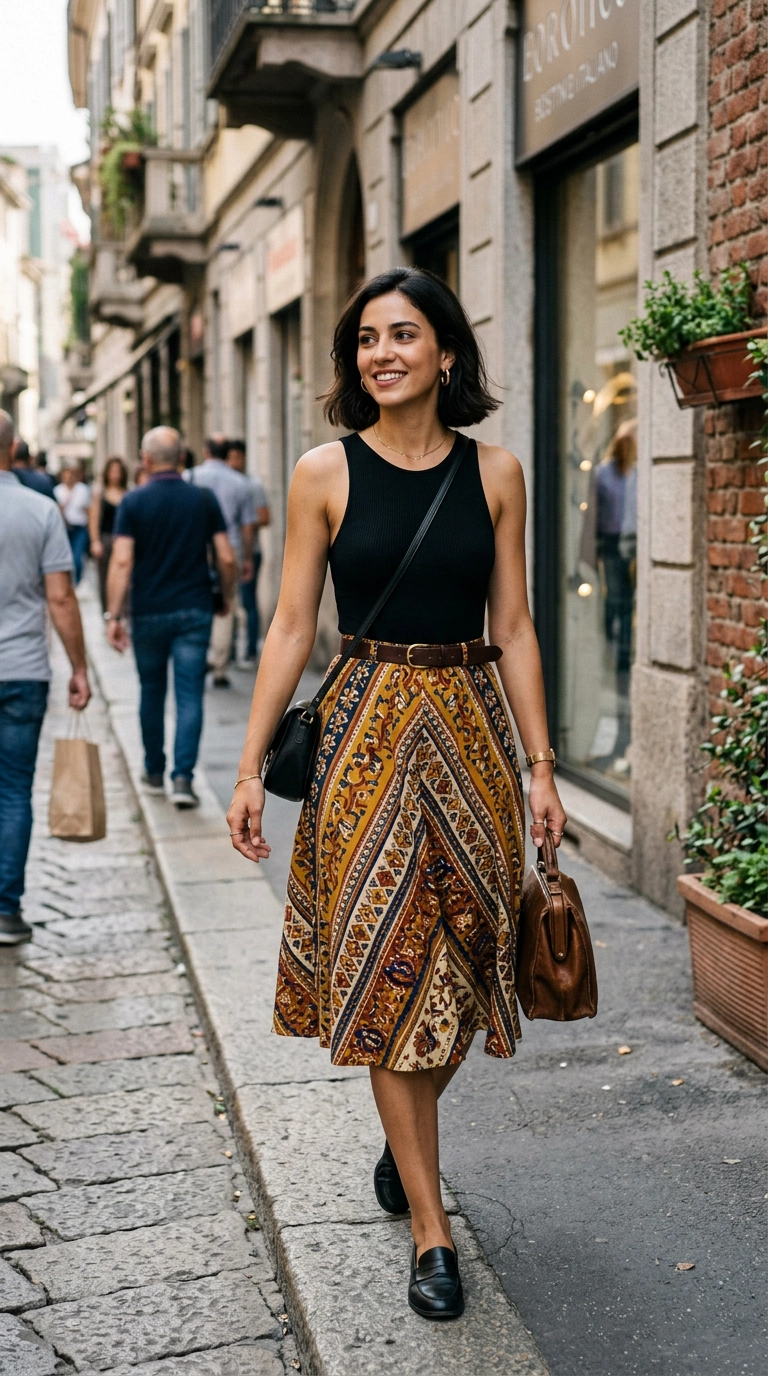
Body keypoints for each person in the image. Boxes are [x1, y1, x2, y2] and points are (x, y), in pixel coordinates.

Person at [225, 268, 567, 1320]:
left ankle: (401, 1131)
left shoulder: (497, 471)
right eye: (367, 339)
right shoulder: (324, 471)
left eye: (404, 334)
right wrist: (247, 768)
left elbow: (513, 625)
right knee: (385, 969)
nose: (382, 353)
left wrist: (542, 765)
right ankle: (431, 1227)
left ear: (446, 352)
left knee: (463, 969)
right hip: (365, 734)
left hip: (469, 734)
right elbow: (289, 626)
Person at [106, 426, 237, 808]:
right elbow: (226, 557)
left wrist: (114, 614)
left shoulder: (132, 502)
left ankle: (152, 770)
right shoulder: (203, 498)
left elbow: (122, 561)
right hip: (195, 609)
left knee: (151, 691)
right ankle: (182, 778)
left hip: (147, 611)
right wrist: (225, 596)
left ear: (144, 461)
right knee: (189, 694)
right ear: (182, 458)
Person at [0, 409, 91, 945]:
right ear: (14, 449)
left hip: (25, 672)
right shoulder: (40, 509)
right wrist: (79, 667)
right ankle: (6, 911)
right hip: (24, 671)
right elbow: (60, 596)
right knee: (13, 791)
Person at [186, 436, 256, 686]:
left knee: (196, 599)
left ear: (205, 452)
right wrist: (247, 557)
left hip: (196, 549)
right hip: (230, 548)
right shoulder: (240, 483)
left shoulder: (190, 477)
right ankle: (220, 667)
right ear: (227, 454)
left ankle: (198, 654)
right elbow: (248, 525)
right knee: (226, 603)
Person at [226, 439, 271, 664]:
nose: (234, 462)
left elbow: (265, 517)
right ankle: (230, 652)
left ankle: (251, 650)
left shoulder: (253, 485)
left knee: (248, 602)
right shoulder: (228, 484)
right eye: (230, 457)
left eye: (237, 457)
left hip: (250, 552)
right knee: (229, 602)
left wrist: (246, 522)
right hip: (230, 552)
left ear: (243, 458)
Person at [88, 456, 129, 612]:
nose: (115, 474)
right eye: (112, 471)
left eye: (118, 471)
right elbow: (94, 518)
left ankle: (122, 610)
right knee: (105, 578)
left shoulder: (127, 493)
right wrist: (95, 541)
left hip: (123, 540)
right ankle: (107, 610)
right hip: (106, 538)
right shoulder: (101, 493)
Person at [54, 461, 91, 583]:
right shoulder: (58, 491)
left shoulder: (82, 490)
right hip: (64, 528)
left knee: (77, 558)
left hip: (79, 528)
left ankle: (76, 582)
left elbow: (88, 510)